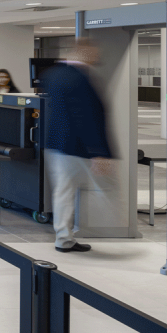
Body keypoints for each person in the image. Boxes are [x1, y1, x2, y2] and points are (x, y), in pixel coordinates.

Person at [42, 39, 112, 253]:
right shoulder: (80, 78)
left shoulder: (53, 74)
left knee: (64, 191)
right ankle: (68, 237)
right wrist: (99, 153)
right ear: (84, 51)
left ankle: (64, 237)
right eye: (93, 52)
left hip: (55, 144)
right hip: (74, 147)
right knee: (105, 189)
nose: (96, 56)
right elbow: (86, 117)